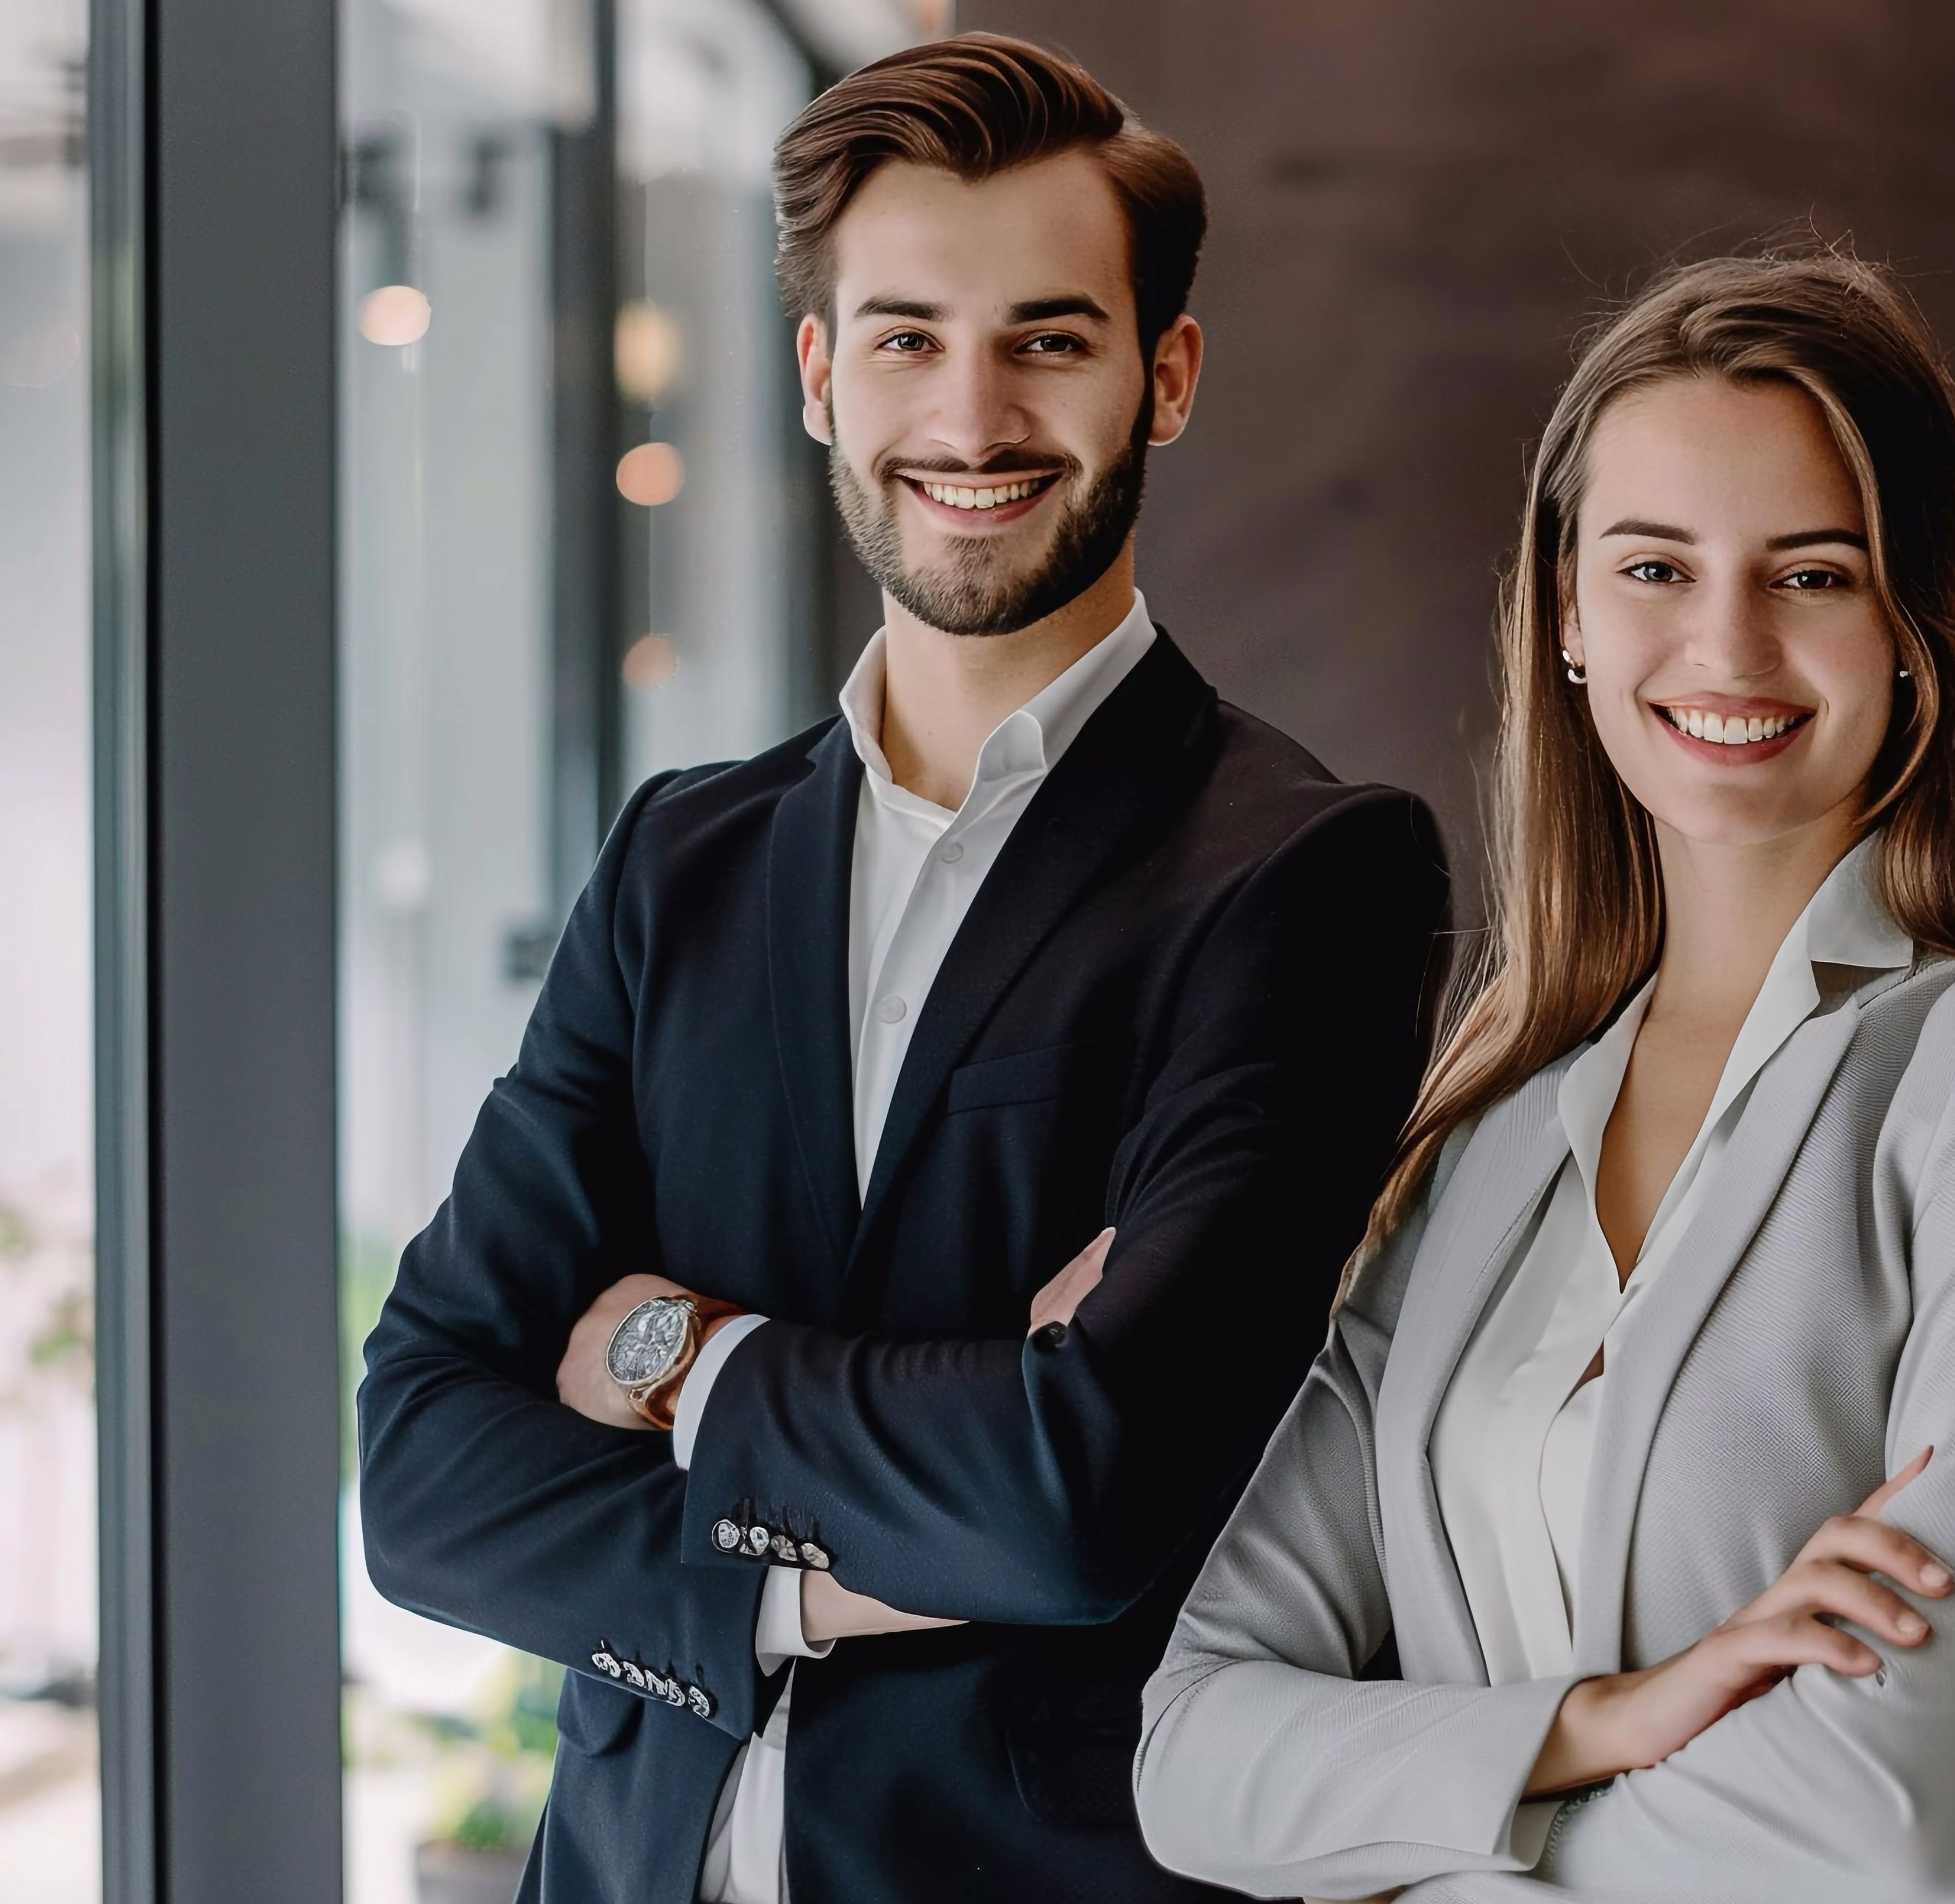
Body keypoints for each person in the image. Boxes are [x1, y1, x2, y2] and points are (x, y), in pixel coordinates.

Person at [356, 34, 1448, 1904]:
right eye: (906, 339)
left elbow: (1084, 1491)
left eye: (1047, 338)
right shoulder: (678, 861)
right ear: (816, 375)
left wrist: (678, 1355)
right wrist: (802, 1582)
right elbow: (423, 1460)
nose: (971, 414)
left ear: (1163, 377)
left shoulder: (1307, 875)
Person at [1133, 249, 1955, 1903]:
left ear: (1922, 626)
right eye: (1653, 566)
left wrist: (1426, 1829)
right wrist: (1606, 1720)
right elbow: (1192, 1754)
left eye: (1815, 574)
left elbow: (1903, 1808)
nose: (1727, 642)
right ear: (1565, 609)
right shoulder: (1473, 1140)